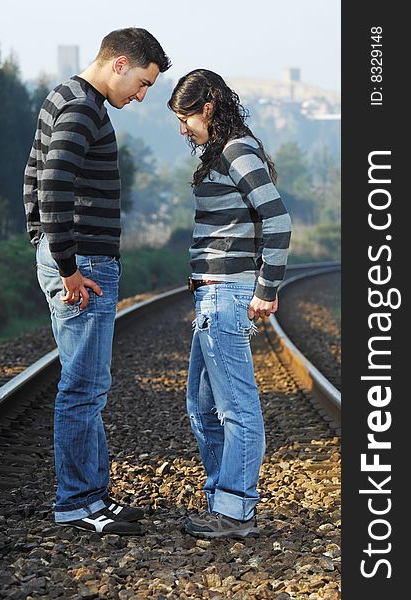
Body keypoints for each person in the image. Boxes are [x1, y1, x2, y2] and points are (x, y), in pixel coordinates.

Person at [23, 28, 171, 536]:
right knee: (84, 387)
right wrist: (65, 264)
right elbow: (53, 181)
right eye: (143, 82)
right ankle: (80, 503)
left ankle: (93, 494)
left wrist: (40, 241)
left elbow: (32, 177)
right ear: (120, 62)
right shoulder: (83, 107)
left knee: (85, 383)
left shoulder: (64, 97)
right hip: (83, 264)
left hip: (74, 257)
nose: (141, 95)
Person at [168, 69, 292, 539]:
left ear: (208, 108)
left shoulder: (238, 150)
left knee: (237, 408)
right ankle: (223, 497)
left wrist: (265, 289)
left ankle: (235, 510)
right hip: (210, 295)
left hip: (225, 293)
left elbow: (277, 220)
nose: (182, 129)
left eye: (185, 118)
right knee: (201, 406)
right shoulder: (222, 153)